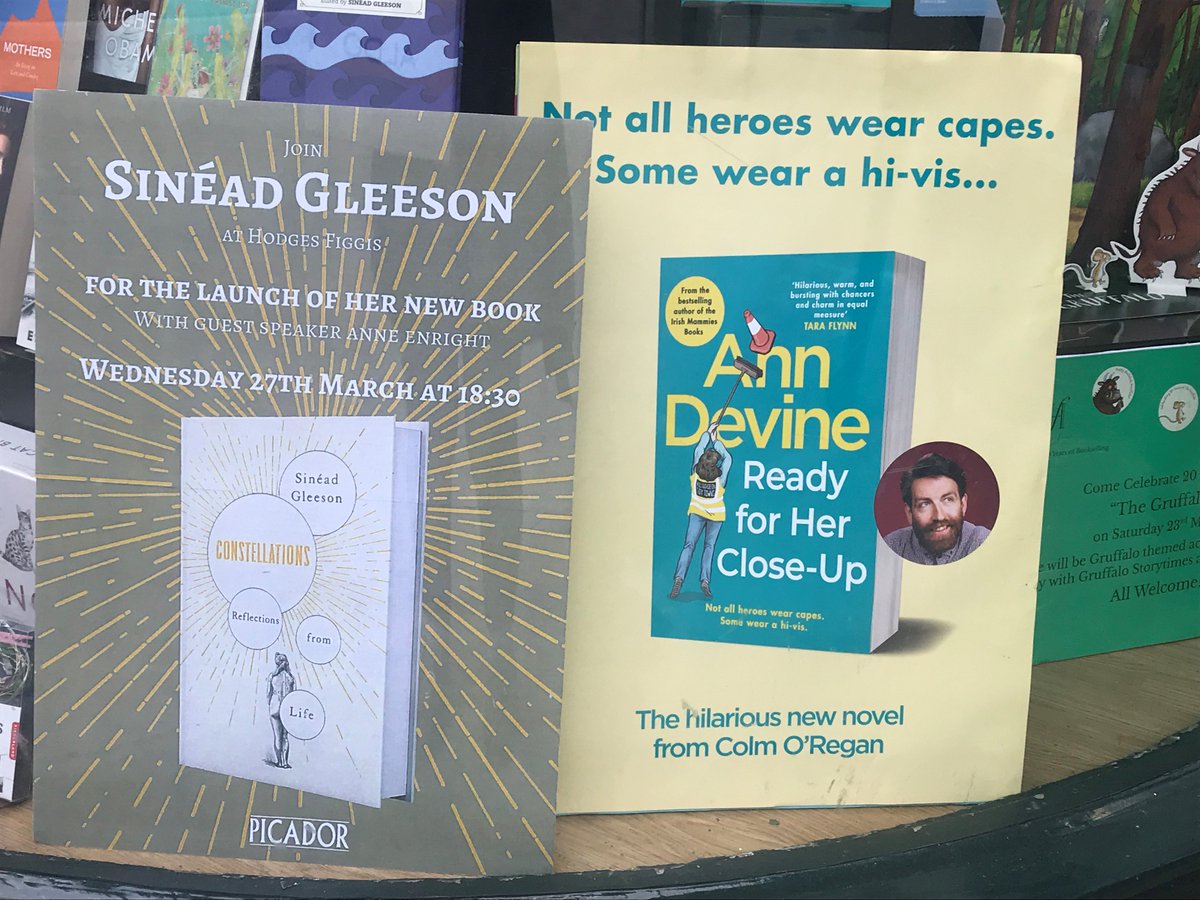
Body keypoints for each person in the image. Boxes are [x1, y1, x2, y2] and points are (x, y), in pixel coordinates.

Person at [883, 452, 991, 565]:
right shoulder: (892, 546)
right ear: (909, 512)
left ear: (963, 504)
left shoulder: (983, 542)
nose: (939, 516)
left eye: (947, 500)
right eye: (924, 504)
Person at [670, 424, 731, 599]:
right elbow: (728, 458)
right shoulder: (720, 481)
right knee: (708, 547)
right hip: (716, 517)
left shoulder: (694, 475)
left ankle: (679, 578)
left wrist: (707, 433)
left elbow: (698, 450)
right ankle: (705, 580)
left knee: (689, 546)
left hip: (696, 514)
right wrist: (716, 440)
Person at [267, 652, 296, 768]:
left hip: (274, 707)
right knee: (285, 737)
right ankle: (285, 762)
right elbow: (295, 696)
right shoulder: (291, 678)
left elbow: (268, 694)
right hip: (287, 708)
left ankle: (279, 761)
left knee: (277, 737)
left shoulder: (272, 676)